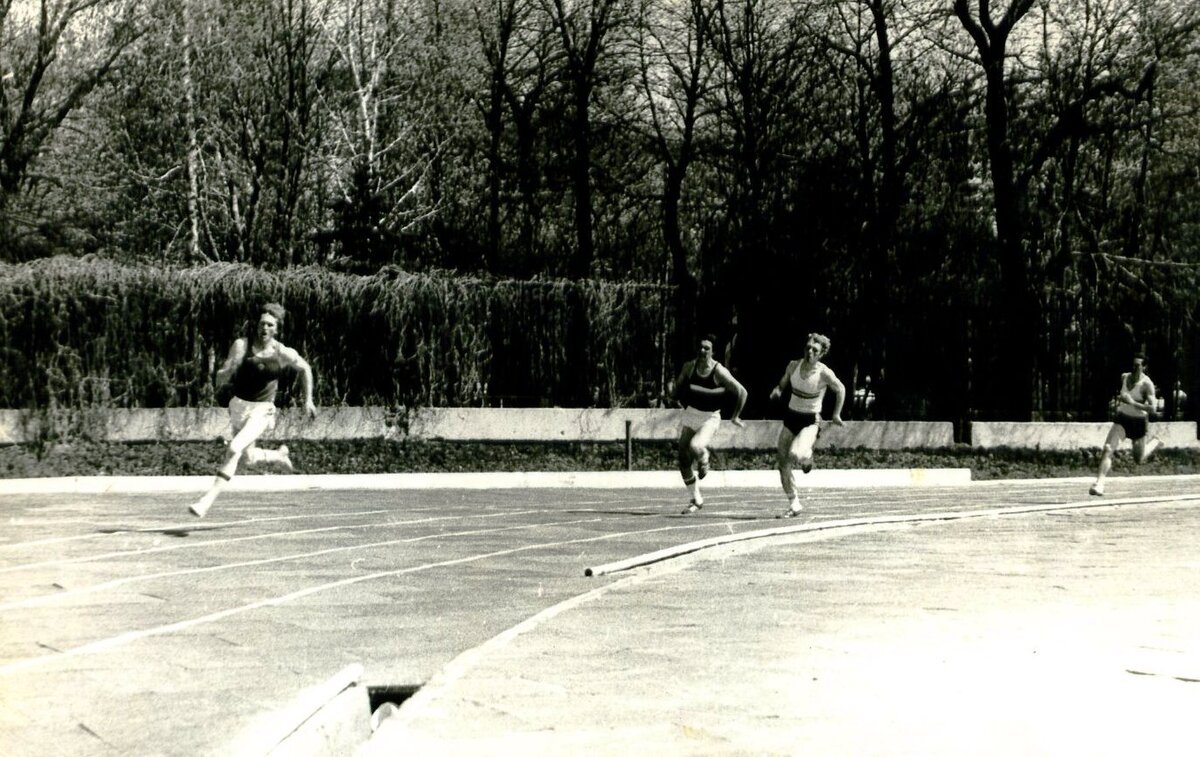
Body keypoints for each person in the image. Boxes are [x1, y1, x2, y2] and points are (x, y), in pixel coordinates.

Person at [190, 302, 318, 517]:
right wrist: (223, 374)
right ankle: (278, 456)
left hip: (263, 410)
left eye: (270, 325)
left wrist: (309, 400)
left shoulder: (282, 353)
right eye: (262, 324)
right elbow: (224, 372)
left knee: (234, 448)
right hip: (239, 406)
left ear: (276, 329)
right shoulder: (242, 345)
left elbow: (305, 368)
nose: (265, 328)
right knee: (247, 458)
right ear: (256, 326)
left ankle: (206, 501)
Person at [770, 332, 846, 518]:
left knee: (795, 453)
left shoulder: (824, 373)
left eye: (815, 350)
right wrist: (778, 389)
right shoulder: (793, 365)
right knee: (782, 462)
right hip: (791, 417)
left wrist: (836, 414)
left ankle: (808, 457)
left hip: (810, 421)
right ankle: (794, 503)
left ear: (821, 354)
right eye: (808, 348)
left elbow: (841, 389)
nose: (810, 352)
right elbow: (783, 382)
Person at [673, 333, 747, 514]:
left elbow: (742, 391)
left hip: (710, 417)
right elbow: (679, 385)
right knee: (683, 458)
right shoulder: (689, 367)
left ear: (713, 351)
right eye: (700, 347)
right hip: (692, 413)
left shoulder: (719, 371)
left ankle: (704, 458)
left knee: (696, 445)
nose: (702, 350)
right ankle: (695, 499)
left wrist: (736, 416)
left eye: (707, 348)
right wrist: (676, 397)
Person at [1089, 353, 1162, 496]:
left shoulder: (1147, 384)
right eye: (1133, 365)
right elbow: (1121, 395)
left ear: (1144, 367)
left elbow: (1153, 409)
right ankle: (1099, 484)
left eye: (1138, 366)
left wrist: (1132, 402)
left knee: (1138, 459)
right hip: (1122, 419)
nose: (1134, 368)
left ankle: (1155, 442)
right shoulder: (1124, 377)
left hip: (1138, 423)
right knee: (1108, 448)